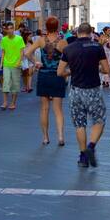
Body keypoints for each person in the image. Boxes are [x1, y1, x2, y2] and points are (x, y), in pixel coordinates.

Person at [57, 23, 110, 168]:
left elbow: (60, 72)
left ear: (78, 33)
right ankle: (91, 147)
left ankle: (82, 157)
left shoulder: (68, 48)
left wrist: (71, 71)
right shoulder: (97, 47)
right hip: (93, 89)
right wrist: (95, 67)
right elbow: (106, 70)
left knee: (80, 124)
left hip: (76, 90)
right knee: (99, 120)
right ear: (90, 34)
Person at [25, 16, 67, 146]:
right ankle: (60, 136)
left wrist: (36, 63)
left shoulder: (41, 40)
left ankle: (45, 137)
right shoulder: (63, 42)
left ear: (46, 27)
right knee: (58, 109)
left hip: (43, 75)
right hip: (58, 76)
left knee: (44, 108)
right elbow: (68, 59)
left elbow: (27, 53)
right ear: (58, 27)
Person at [0, 21, 26, 111]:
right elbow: (3, 52)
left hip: (16, 64)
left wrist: (19, 62)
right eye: (8, 29)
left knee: (15, 84)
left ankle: (13, 103)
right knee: (6, 83)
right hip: (6, 64)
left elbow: (22, 52)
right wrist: (1, 64)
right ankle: (5, 102)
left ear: (14, 29)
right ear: (5, 30)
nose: (10, 30)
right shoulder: (4, 39)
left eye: (11, 28)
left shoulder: (19, 39)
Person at [20, 25, 34, 93]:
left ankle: (29, 87)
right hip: (24, 60)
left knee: (30, 74)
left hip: (30, 60)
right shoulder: (22, 44)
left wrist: (34, 60)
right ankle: (26, 86)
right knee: (25, 75)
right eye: (30, 36)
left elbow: (32, 53)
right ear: (26, 36)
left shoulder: (31, 43)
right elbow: (22, 53)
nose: (31, 37)